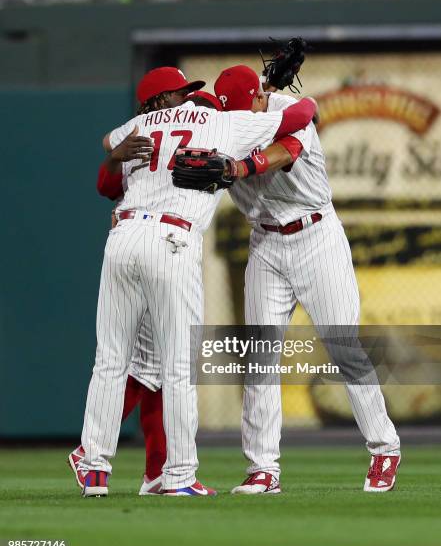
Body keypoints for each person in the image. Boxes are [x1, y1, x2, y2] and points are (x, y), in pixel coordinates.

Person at [77, 65, 316, 497]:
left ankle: (95, 469)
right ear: (158, 98)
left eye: (188, 92)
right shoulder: (219, 122)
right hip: (171, 238)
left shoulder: (137, 125)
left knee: (110, 361)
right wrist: (288, 95)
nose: (186, 97)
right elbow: (301, 117)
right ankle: (179, 477)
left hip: (123, 238)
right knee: (178, 366)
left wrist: (114, 152)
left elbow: (106, 148)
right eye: (178, 92)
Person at [211, 65, 401, 494]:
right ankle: (263, 469)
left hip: (317, 237)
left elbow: (285, 151)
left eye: (248, 109)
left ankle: (385, 447)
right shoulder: (223, 126)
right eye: (234, 114)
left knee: (343, 346)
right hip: (265, 243)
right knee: (259, 354)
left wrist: (238, 169)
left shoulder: (289, 112)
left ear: (261, 97)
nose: (242, 119)